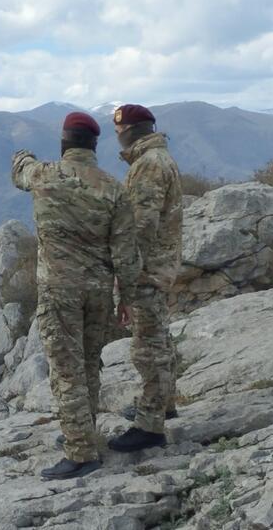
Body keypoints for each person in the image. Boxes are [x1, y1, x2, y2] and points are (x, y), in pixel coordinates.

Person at [12, 112, 140, 479]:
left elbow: (20, 171)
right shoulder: (113, 188)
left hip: (59, 291)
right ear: (94, 145)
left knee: (66, 371)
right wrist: (126, 298)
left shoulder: (43, 175)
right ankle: (84, 432)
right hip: (99, 292)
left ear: (64, 143)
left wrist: (22, 154)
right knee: (88, 364)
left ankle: (81, 453)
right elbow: (125, 252)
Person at [108, 104, 183, 453]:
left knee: (148, 349)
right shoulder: (157, 158)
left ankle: (150, 426)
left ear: (129, 130)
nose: (116, 135)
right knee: (160, 340)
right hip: (159, 267)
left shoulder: (148, 165)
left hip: (146, 270)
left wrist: (125, 275)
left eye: (118, 129)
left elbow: (140, 226)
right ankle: (163, 404)